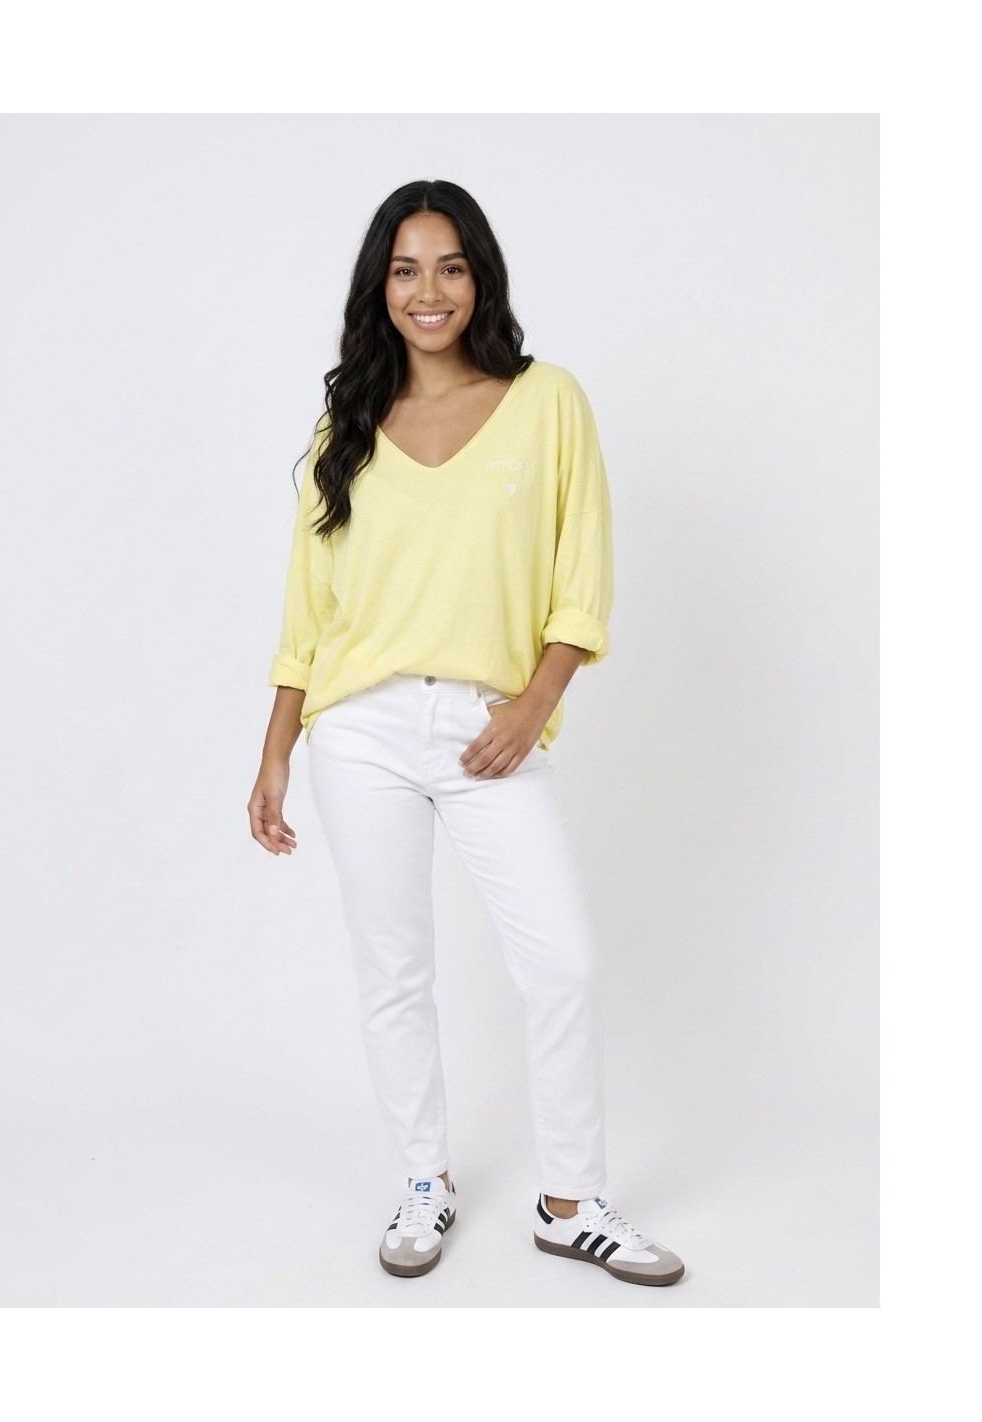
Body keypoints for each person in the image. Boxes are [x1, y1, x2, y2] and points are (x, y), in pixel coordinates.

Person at [248, 179, 684, 1288]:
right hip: (360, 729)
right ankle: (424, 1180)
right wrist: (276, 751)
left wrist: (534, 705)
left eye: (449, 266)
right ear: (379, 287)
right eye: (404, 270)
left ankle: (569, 1202)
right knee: (394, 968)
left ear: (479, 276)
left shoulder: (547, 401)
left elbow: (581, 576)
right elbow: (309, 611)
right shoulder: (347, 426)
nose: (427, 290)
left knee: (563, 964)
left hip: (490, 726)